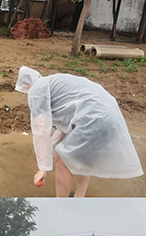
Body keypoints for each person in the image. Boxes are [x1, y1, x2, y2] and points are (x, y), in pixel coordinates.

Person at [15, 66, 143, 197]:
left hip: (94, 116)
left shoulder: (37, 90)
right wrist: (48, 155)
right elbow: (63, 129)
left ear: (25, 86)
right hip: (109, 113)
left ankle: (60, 204)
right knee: (83, 156)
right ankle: (79, 196)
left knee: (62, 158)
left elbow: (41, 130)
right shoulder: (54, 83)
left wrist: (43, 167)